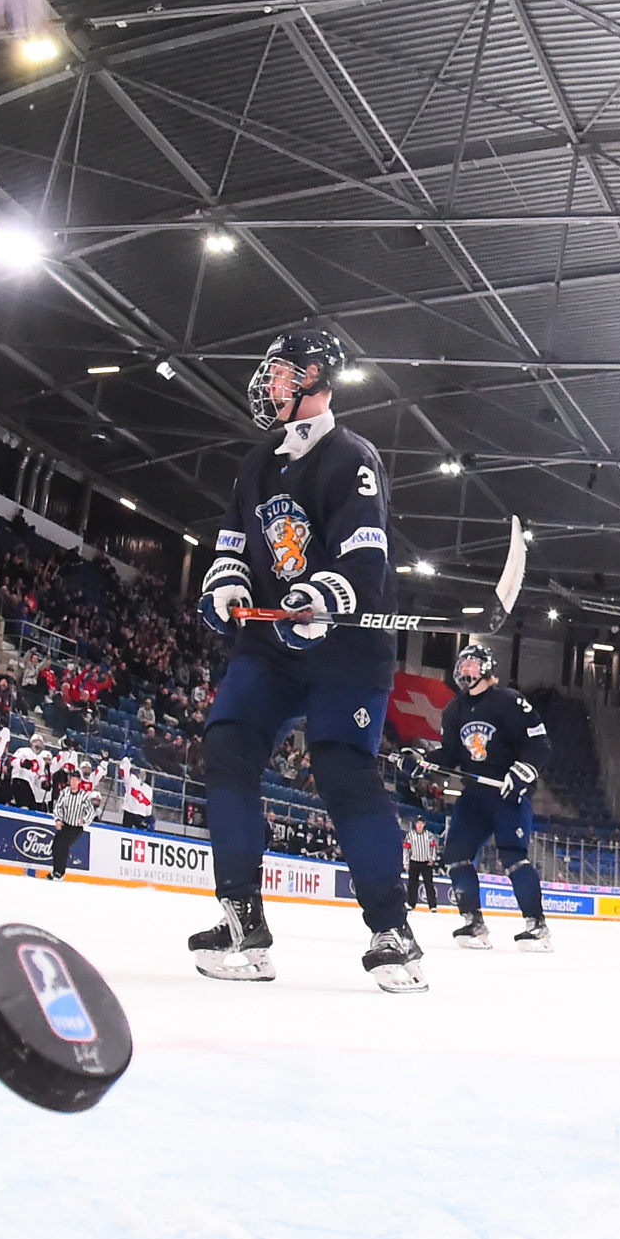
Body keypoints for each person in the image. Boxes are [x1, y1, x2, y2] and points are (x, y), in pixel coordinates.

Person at [188, 325, 423, 991]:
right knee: (228, 743)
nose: (272, 384)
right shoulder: (255, 463)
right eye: (273, 373)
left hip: (346, 646)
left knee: (341, 768)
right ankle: (242, 921)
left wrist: (319, 597)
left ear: (319, 378)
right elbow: (233, 543)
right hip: (271, 644)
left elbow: (365, 561)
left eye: (285, 373)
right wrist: (226, 584)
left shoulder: (353, 458)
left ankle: (393, 934)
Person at [433, 639, 554, 951]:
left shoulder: (508, 701)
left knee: (513, 856)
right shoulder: (454, 709)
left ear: (486, 669)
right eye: (461, 665)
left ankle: (536, 926)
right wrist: (422, 762)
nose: (465, 670)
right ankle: (473, 923)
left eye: (471, 664)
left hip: (507, 792)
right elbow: (449, 755)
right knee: (456, 855)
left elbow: (538, 743)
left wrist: (525, 769)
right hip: (474, 795)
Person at [47, 758, 103, 882]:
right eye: (71, 779)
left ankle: (60, 873)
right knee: (56, 846)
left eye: (75, 780)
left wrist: (84, 820)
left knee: (64, 845)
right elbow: (58, 806)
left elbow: (90, 811)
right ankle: (56, 870)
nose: (73, 782)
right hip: (65, 824)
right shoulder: (65, 792)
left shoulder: (83, 795)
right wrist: (57, 820)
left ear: (79, 781)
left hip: (76, 828)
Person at [403, 805, 443, 911]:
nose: (419, 825)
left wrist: (432, 858)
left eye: (421, 823)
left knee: (429, 884)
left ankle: (433, 905)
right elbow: (406, 850)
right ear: (415, 824)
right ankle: (411, 904)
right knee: (412, 884)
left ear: (424, 824)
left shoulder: (429, 835)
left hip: (426, 863)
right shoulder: (410, 835)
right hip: (414, 861)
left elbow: (433, 847)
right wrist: (406, 863)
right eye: (418, 823)